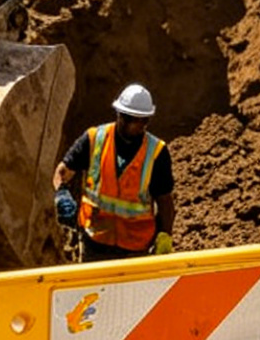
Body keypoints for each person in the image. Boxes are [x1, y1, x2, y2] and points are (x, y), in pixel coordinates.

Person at [53, 84, 175, 262]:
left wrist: (165, 235)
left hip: (135, 248)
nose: (135, 126)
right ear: (119, 114)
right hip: (94, 243)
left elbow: (165, 202)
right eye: (129, 119)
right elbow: (62, 172)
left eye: (141, 121)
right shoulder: (94, 139)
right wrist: (62, 193)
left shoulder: (156, 152)